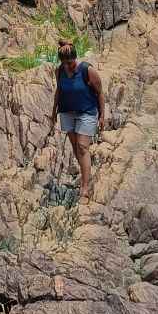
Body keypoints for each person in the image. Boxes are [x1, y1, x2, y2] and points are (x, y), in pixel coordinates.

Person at [51, 41, 105, 197]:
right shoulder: (59, 71)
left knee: (82, 147)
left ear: (75, 58)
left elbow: (100, 93)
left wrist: (102, 115)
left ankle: (85, 187)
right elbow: (59, 90)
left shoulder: (87, 70)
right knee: (76, 148)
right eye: (65, 63)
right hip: (67, 112)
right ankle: (86, 173)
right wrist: (54, 110)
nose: (68, 66)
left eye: (70, 62)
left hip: (87, 111)